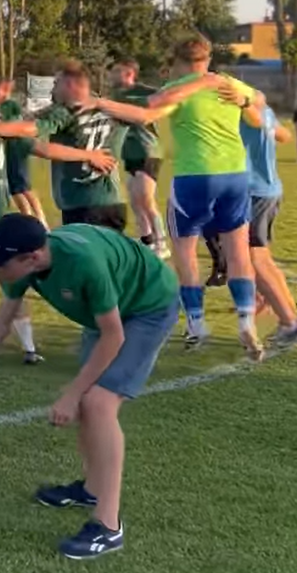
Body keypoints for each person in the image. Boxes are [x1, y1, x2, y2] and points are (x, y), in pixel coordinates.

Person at [0, 215, 179, 559]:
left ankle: (109, 526)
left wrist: (71, 394)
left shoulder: (83, 264)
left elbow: (114, 336)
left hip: (148, 306)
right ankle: (91, 489)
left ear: (32, 258)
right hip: (108, 312)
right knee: (88, 400)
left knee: (98, 403)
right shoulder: (24, 267)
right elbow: (1, 322)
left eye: (0, 265)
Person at [94, 38, 262, 358]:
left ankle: (196, 325)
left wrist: (99, 103)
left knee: (185, 254)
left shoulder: (179, 88)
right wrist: (243, 101)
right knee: (238, 252)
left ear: (177, 61)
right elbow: (257, 116)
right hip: (235, 175)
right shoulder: (228, 84)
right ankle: (246, 319)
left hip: (194, 176)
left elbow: (145, 115)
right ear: (208, 58)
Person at [0, 73, 116, 365]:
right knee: (8, 280)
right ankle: (28, 347)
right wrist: (86, 154)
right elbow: (42, 148)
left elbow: (41, 146)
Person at [0, 62, 129, 232]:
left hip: (82, 204)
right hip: (114, 202)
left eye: (56, 84)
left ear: (69, 84)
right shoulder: (112, 109)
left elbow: (33, 132)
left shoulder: (65, 111)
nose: (52, 90)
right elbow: (143, 115)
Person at [204, 101, 297, 348]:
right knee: (260, 257)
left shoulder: (229, 112)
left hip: (249, 191)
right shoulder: (262, 107)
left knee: (253, 258)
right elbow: (284, 135)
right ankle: (285, 314)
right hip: (268, 189)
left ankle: (288, 321)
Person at [107, 59, 169, 258]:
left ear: (129, 73)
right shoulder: (115, 96)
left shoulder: (143, 91)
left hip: (147, 150)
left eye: (116, 71)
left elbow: (165, 96)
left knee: (146, 198)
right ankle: (147, 240)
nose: (111, 75)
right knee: (135, 201)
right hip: (130, 153)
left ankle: (162, 243)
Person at [0, 78, 48, 229]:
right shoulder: (1, 106)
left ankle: (41, 219)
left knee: (24, 185)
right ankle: (27, 216)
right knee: (14, 188)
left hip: (17, 146)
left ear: (6, 90)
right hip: (9, 149)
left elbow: (11, 124)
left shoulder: (10, 105)